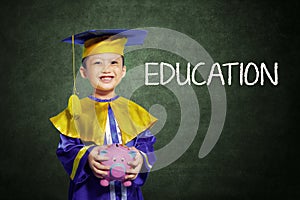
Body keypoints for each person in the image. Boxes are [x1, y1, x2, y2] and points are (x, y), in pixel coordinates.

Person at [50, 29, 157, 200]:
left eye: (114, 62)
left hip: (128, 193)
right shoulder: (77, 112)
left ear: (123, 71)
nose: (106, 69)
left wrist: (139, 159)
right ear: (84, 72)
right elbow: (66, 149)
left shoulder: (134, 111)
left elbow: (147, 147)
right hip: (89, 194)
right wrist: (88, 155)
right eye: (98, 62)